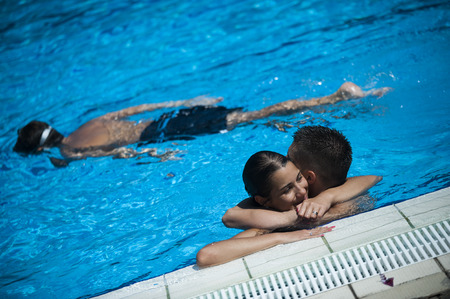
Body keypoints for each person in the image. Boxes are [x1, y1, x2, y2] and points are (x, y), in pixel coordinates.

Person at [13, 82, 390, 166]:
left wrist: (158, 154)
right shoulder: (90, 120)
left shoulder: (68, 149)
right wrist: (186, 103)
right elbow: (142, 106)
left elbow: (120, 153)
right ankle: (334, 107)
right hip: (171, 117)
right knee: (254, 118)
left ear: (43, 147)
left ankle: (336, 99)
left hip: (165, 131)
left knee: (258, 116)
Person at [222, 126, 383, 231]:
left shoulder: (349, 199)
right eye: (287, 189)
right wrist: (293, 217)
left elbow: (373, 178)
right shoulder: (272, 201)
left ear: (308, 176)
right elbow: (230, 216)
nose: (286, 160)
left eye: (290, 158)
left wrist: (326, 198)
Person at [196, 151, 334, 268]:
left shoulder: (316, 193)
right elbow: (206, 256)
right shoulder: (266, 227)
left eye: (299, 178)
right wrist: (282, 236)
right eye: (287, 190)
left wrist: (326, 197)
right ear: (263, 201)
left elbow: (355, 183)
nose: (302, 192)